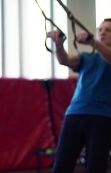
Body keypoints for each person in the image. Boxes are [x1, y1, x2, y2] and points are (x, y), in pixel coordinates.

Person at [47, 19, 111, 173]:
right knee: (61, 165)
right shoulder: (87, 56)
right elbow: (65, 60)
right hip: (75, 113)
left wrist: (93, 42)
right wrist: (59, 44)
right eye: (100, 29)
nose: (102, 32)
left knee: (95, 167)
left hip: (102, 116)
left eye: (108, 30)